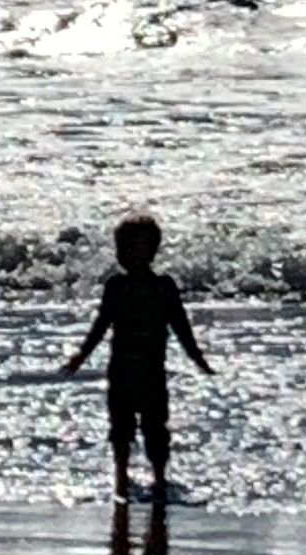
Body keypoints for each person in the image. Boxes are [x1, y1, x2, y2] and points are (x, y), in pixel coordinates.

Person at [61, 214, 212, 502]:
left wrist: (197, 357)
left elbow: (181, 326)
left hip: (153, 374)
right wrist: (81, 355)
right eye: (124, 248)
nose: (128, 254)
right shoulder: (116, 287)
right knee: (121, 429)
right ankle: (120, 478)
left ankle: (159, 478)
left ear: (153, 251)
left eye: (137, 248)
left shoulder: (164, 288)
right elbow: (101, 324)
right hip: (120, 372)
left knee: (155, 428)